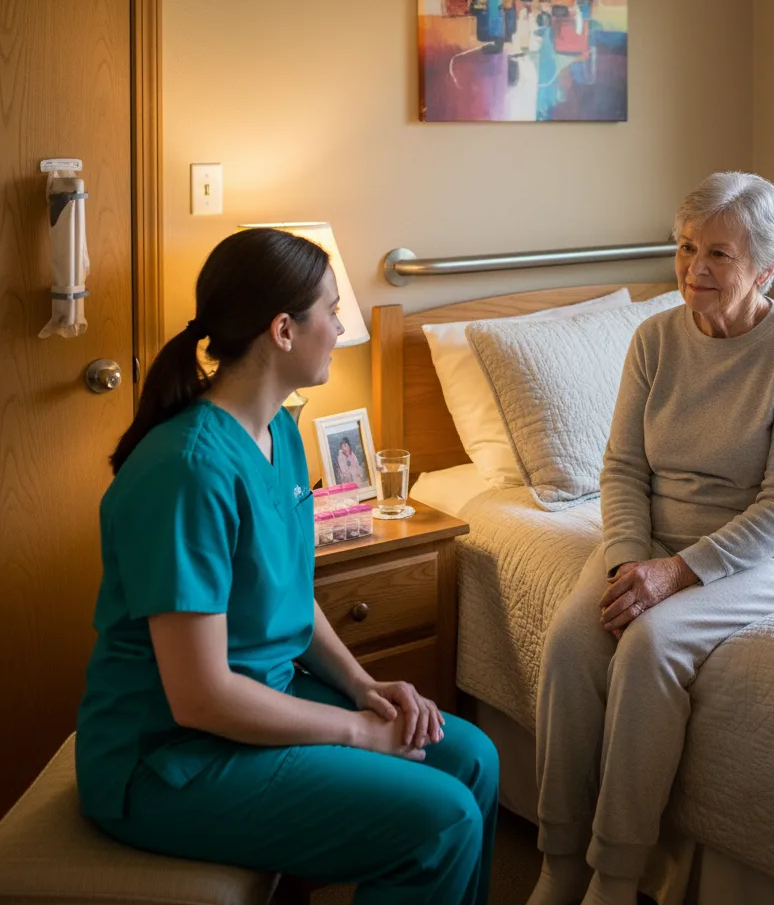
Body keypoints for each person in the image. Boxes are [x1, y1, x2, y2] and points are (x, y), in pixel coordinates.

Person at [76, 228, 498, 904]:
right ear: (282, 330)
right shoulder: (187, 471)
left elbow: (293, 600)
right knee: (440, 822)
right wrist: (357, 733)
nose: (338, 325)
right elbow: (200, 696)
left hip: (265, 698)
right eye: (330, 310)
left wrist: (364, 687)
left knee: (474, 758)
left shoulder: (280, 433)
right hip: (171, 758)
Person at [527, 172, 774, 905]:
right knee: (574, 641)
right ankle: (560, 859)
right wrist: (629, 561)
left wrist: (676, 575)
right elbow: (622, 467)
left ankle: (616, 873)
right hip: (655, 537)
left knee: (650, 645)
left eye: (719, 255)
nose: (694, 269)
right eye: (685, 248)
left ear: (764, 269)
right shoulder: (654, 338)